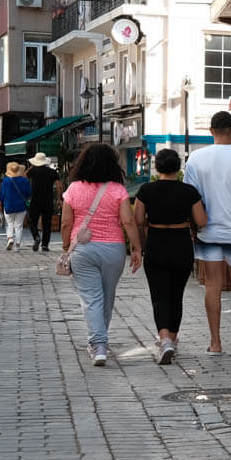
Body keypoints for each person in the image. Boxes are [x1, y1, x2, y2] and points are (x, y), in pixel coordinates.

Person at [183, 111, 231, 354]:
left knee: (212, 285)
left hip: (208, 232)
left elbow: (189, 197)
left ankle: (215, 343)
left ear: (211, 131)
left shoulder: (196, 159)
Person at [61, 143, 143, 365]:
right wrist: (136, 248)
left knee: (91, 299)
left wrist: (65, 245)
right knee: (106, 298)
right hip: (113, 249)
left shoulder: (74, 189)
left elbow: (66, 222)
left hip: (82, 249)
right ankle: (99, 342)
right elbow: (127, 220)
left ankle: (98, 344)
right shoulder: (118, 190)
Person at [134, 148, 208, 365]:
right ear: (178, 168)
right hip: (181, 244)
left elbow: (137, 219)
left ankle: (165, 338)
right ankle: (171, 340)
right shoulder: (189, 191)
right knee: (176, 295)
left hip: (156, 244)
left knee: (159, 296)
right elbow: (202, 221)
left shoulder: (146, 190)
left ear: (157, 167)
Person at [26, 152, 60, 252]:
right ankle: (45, 245)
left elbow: (23, 177)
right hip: (48, 201)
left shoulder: (32, 171)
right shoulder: (53, 172)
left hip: (34, 200)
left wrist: (31, 167)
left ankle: (36, 236)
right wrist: (59, 199)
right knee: (47, 223)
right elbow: (59, 186)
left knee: (32, 221)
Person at [0, 162, 32, 251]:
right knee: (19, 226)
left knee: (9, 224)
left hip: (9, 205)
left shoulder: (6, 181)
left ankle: (10, 238)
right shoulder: (25, 180)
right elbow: (29, 193)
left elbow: (2, 194)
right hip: (21, 206)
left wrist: (0, 202)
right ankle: (17, 246)